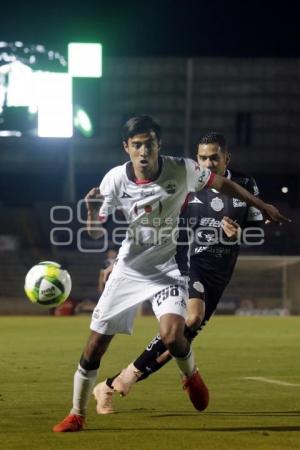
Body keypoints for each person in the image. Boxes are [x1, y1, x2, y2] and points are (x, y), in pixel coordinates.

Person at [53, 116, 287, 432]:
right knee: (95, 345)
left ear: (158, 145)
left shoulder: (182, 169)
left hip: (171, 268)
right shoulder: (113, 180)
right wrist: (93, 214)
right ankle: (76, 413)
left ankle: (190, 375)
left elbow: (225, 184)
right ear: (127, 148)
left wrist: (262, 205)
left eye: (149, 143)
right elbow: (95, 233)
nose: (143, 150)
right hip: (130, 269)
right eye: (137, 145)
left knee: (175, 334)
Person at [92, 132, 265, 414]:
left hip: (220, 272)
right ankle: (126, 379)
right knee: (191, 318)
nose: (208, 163)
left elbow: (258, 226)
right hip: (185, 262)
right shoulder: (187, 182)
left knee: (181, 340)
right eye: (203, 158)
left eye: (214, 158)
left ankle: (115, 382)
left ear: (226, 158)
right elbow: (145, 220)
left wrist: (240, 233)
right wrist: (119, 259)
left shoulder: (244, 185)